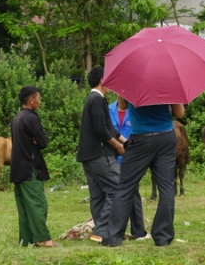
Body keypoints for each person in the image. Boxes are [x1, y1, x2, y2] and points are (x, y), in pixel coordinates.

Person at [102, 101, 184, 247]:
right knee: (166, 188)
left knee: (125, 187)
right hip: (166, 136)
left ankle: (113, 237)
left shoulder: (133, 81)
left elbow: (122, 106)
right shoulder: (168, 82)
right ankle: (163, 237)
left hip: (141, 138)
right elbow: (180, 114)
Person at [76, 67, 125, 243]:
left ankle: (99, 231)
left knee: (98, 195)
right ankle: (101, 229)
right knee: (117, 188)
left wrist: (125, 141)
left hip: (87, 155)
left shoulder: (94, 99)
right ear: (102, 81)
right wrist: (118, 146)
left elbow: (110, 128)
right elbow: (101, 130)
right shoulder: (97, 100)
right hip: (99, 154)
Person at [11, 86, 59, 248]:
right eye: (38, 98)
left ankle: (26, 238)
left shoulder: (18, 117)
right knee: (38, 203)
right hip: (29, 167)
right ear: (31, 101)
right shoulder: (31, 118)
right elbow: (43, 142)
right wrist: (37, 141)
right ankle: (43, 238)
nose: (40, 101)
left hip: (17, 167)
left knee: (25, 205)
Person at [107, 94, 149, 241]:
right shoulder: (108, 109)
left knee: (133, 193)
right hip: (111, 156)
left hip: (131, 156)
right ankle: (111, 229)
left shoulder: (137, 110)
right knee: (115, 193)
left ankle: (138, 230)